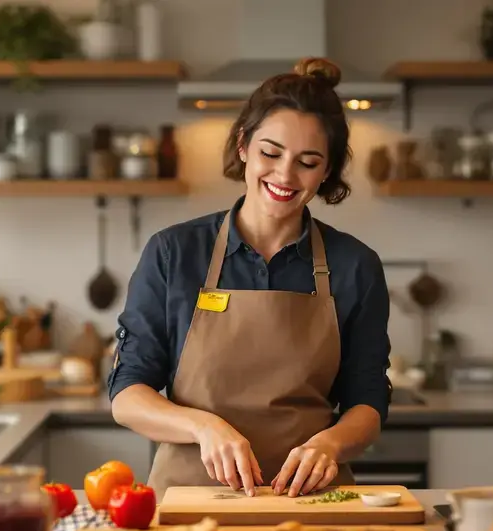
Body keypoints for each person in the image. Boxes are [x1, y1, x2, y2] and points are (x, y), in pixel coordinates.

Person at [108, 57, 391, 500]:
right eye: (270, 153)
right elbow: (128, 394)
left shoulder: (355, 265)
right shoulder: (174, 253)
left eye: (308, 162)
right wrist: (202, 426)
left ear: (327, 170)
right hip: (190, 500)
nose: (284, 175)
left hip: (311, 502)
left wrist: (330, 444)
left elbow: (368, 401)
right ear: (243, 146)